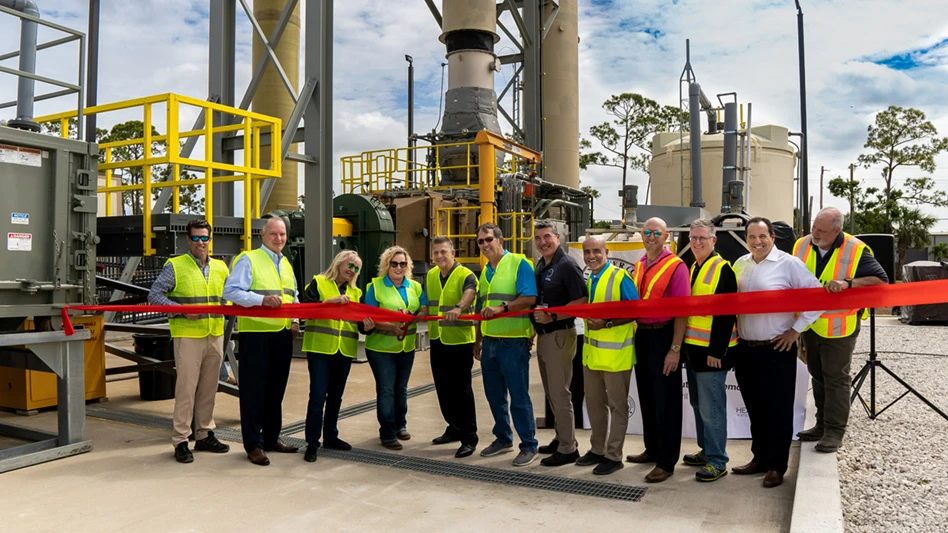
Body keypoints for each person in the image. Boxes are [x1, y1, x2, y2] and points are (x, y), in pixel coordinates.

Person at [732, 217, 823, 488]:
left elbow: (818, 296)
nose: (757, 242)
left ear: (772, 236)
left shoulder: (789, 264)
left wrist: (796, 331)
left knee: (778, 410)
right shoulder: (740, 264)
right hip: (746, 348)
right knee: (755, 409)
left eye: (763, 236)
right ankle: (759, 458)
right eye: (752, 237)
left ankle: (776, 466)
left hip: (776, 348)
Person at [793, 207, 887, 453]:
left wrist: (848, 284)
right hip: (810, 325)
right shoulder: (802, 245)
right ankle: (821, 425)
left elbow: (881, 281)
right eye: (813, 227)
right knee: (818, 376)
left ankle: (835, 431)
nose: (814, 233)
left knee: (836, 379)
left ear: (837, 231)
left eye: (821, 230)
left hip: (839, 328)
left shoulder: (856, 250)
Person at [148, 219, 231, 463]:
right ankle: (181, 440)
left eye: (204, 237)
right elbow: (154, 295)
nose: (200, 242)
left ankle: (204, 434)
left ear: (210, 239)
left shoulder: (221, 268)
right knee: (186, 390)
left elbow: (226, 298)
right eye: (195, 238)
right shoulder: (175, 266)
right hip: (188, 336)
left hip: (214, 335)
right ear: (188, 240)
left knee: (208, 389)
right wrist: (181, 309)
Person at [223, 216, 301, 466]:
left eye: (282, 235)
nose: (279, 239)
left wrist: (296, 320)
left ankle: (271, 438)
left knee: (276, 390)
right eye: (274, 234)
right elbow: (231, 291)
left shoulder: (286, 263)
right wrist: (261, 300)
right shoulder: (249, 259)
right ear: (262, 236)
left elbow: (293, 296)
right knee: (254, 391)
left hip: (282, 334)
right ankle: (253, 445)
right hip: (256, 335)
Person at [626, 217, 689, 484]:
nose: (651, 237)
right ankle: (652, 449)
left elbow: (682, 312)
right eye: (647, 232)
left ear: (666, 237)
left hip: (665, 336)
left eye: (657, 233)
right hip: (643, 335)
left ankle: (666, 461)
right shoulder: (640, 263)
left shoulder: (677, 267)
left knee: (667, 402)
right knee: (648, 398)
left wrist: (674, 349)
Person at [474, 222, 539, 467]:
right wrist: (478, 340)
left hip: (513, 343)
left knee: (519, 396)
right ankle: (503, 438)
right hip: (490, 342)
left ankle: (529, 445)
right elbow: (482, 309)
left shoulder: (519, 264)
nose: (485, 245)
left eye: (489, 239)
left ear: (500, 240)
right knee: (494, 395)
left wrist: (502, 309)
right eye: (480, 241)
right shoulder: (485, 270)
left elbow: (530, 298)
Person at [681, 219, 738, 482]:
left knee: (711, 408)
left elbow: (726, 315)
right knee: (698, 403)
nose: (697, 242)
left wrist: (717, 351)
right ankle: (707, 450)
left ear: (713, 241)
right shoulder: (694, 266)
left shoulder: (723, 269)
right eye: (693, 238)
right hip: (693, 350)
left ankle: (718, 461)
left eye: (702, 238)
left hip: (712, 354)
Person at [578, 235, 638, 475]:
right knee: (594, 405)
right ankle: (597, 449)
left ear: (606, 251)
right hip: (592, 356)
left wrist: (608, 323)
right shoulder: (590, 280)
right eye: (587, 252)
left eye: (596, 251)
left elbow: (636, 311)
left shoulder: (620, 277)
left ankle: (614, 456)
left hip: (616, 357)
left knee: (617, 407)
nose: (591, 256)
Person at [299, 250, 365, 463]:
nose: (351, 270)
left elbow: (362, 324)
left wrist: (369, 326)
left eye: (356, 268)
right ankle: (311, 442)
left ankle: (331, 437)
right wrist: (330, 302)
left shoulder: (356, 293)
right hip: (320, 349)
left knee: (335, 397)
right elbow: (305, 310)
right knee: (318, 397)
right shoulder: (318, 283)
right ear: (339, 262)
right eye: (349, 264)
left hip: (343, 350)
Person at [531, 220, 588, 467]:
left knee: (560, 393)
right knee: (551, 392)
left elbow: (582, 301)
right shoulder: (542, 264)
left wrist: (553, 315)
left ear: (557, 237)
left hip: (559, 335)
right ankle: (560, 437)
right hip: (545, 336)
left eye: (547, 237)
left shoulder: (566, 265)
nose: (543, 242)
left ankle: (568, 448)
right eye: (538, 238)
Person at [363, 245, 427, 450]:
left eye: (402, 264)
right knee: (386, 390)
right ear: (386, 265)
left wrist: (411, 315)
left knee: (401, 389)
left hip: (405, 348)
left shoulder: (414, 287)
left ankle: (400, 425)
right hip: (381, 349)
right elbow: (370, 316)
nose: (398, 267)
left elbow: (423, 309)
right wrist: (392, 326)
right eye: (394, 263)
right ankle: (388, 432)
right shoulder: (375, 287)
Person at [427, 236, 479, 458]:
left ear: (453, 253)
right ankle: (454, 427)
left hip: (459, 341)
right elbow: (425, 304)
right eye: (436, 252)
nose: (439, 256)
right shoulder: (430, 276)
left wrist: (458, 307)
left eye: (443, 252)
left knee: (461, 391)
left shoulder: (465, 274)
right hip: (437, 339)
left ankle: (469, 436)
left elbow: (470, 293)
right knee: (443, 389)